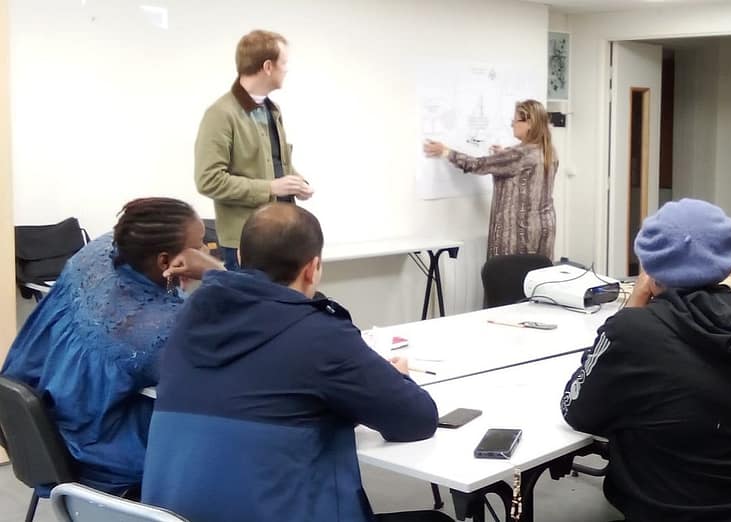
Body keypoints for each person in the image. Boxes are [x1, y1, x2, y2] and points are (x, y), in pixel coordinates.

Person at [142, 203, 451, 522]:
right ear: (312, 268)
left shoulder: (188, 318)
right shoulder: (320, 335)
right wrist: (395, 375)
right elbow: (417, 420)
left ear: (240, 258)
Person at [560, 198, 731, 521]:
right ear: (728, 263)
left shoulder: (633, 332)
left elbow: (575, 409)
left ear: (650, 267)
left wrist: (635, 302)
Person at [1, 197, 224, 495]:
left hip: (38, 423)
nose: (206, 251)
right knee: (222, 439)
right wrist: (217, 272)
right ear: (164, 261)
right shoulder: (158, 330)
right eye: (199, 246)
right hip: (88, 454)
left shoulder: (96, 253)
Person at [195, 29, 313, 271]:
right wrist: (270, 188)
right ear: (268, 67)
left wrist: (299, 182)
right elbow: (208, 180)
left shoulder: (273, 110)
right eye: (284, 63)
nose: (287, 69)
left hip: (283, 236)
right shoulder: (220, 114)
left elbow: (277, 162)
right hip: (245, 244)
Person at [423, 99, 557, 260]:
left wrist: (445, 152)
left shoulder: (519, 155)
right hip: (543, 229)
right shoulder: (548, 150)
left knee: (508, 275)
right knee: (538, 274)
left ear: (529, 123)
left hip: (519, 235)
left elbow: (477, 165)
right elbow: (523, 170)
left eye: (515, 120)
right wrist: (504, 155)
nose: (512, 124)